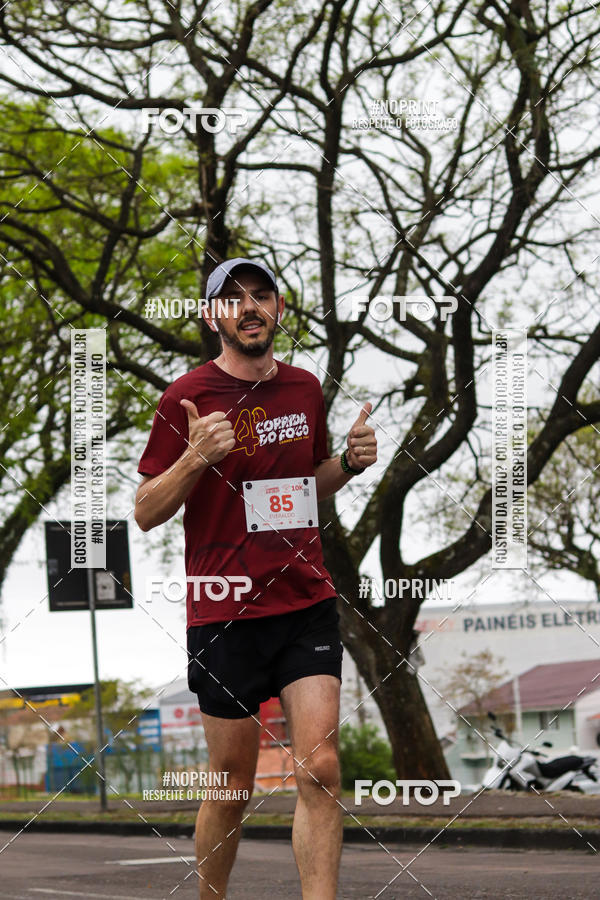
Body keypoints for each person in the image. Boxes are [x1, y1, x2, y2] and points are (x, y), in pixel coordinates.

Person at [135, 257, 377, 899]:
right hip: (224, 612)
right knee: (231, 782)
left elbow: (303, 493)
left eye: (261, 295)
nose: (249, 306)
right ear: (214, 315)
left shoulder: (303, 390)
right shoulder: (187, 396)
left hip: (304, 599)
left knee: (321, 768)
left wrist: (346, 465)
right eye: (233, 297)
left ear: (278, 310)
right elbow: (145, 512)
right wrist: (194, 458)